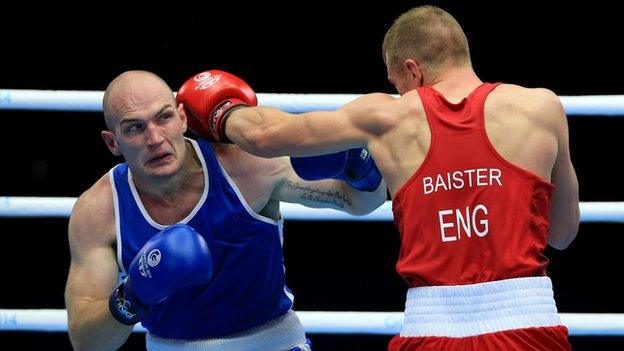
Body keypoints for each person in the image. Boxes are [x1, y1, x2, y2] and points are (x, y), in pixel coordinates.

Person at [175, 5, 580, 350]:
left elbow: (265, 135)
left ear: (411, 70)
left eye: (396, 82)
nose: (398, 92)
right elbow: (562, 233)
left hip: (432, 327)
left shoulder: (386, 117)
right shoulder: (543, 107)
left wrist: (219, 108)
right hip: (530, 320)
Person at [64, 70, 387, 351]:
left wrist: (358, 170)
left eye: (163, 117)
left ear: (182, 118)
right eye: (134, 127)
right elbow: (87, 342)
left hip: (274, 343)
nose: (154, 138)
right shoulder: (99, 210)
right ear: (113, 143)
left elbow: (359, 203)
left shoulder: (247, 165)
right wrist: (132, 297)